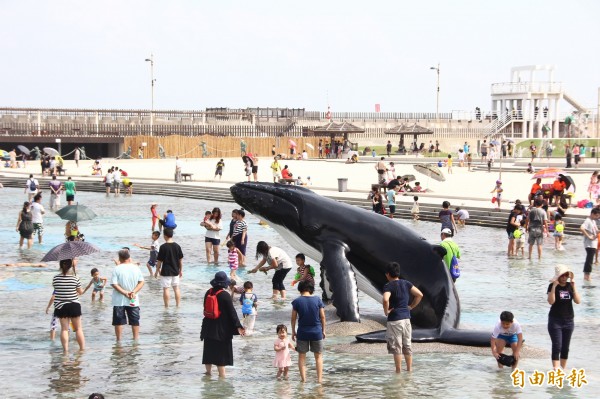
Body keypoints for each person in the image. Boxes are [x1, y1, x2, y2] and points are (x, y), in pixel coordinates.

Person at [201, 271, 245, 378]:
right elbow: (232, 313)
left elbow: (205, 307)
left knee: (208, 350)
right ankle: (222, 375)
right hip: (221, 329)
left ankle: (208, 373)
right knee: (221, 352)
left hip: (208, 326)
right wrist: (239, 326)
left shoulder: (208, 292)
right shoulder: (225, 295)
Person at [382, 262, 423, 373]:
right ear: (398, 273)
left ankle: (398, 372)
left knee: (397, 347)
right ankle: (409, 370)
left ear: (387, 274)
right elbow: (419, 294)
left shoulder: (388, 285)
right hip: (406, 319)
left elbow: (386, 299)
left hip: (395, 320)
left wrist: (386, 312)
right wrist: (410, 307)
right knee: (407, 345)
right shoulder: (406, 283)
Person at [291, 281, 326, 383]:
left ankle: (304, 381)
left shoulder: (297, 301)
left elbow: (293, 319)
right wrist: (323, 330)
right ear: (311, 289)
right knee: (318, 356)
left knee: (302, 357)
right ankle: (319, 380)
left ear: (300, 289)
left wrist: (293, 331)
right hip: (316, 332)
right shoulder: (318, 300)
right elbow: (322, 317)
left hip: (302, 332)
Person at [547, 264, 581, 370]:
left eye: (566, 275)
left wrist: (574, 287)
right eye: (562, 275)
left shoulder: (570, 286)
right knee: (557, 345)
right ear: (558, 276)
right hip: (555, 320)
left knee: (565, 347)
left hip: (569, 320)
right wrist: (554, 287)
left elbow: (578, 301)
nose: (564, 277)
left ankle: (563, 368)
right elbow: (551, 301)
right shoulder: (552, 286)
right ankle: (556, 369)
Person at [111, 249, 144, 341]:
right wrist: (134, 292)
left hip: (119, 299)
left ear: (120, 258)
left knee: (118, 321)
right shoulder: (136, 268)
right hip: (133, 298)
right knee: (135, 321)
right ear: (129, 257)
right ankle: (136, 339)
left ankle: (118, 340)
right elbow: (141, 282)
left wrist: (125, 292)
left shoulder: (117, 268)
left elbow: (114, 284)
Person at [52, 259, 85, 353]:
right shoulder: (75, 278)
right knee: (78, 329)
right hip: (74, 305)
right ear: (71, 266)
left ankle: (65, 351)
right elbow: (80, 292)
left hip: (61, 306)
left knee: (64, 329)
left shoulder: (55, 278)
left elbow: (56, 289)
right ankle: (82, 349)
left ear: (60, 265)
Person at [155, 228, 184, 307]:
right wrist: (181, 270)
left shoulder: (163, 247)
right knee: (176, 288)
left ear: (165, 236)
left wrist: (157, 271)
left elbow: (159, 261)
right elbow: (180, 260)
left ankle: (166, 306)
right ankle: (178, 306)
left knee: (166, 289)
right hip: (175, 271)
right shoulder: (177, 246)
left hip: (166, 271)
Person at [580, 207, 600, 281]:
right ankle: (586, 276)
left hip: (593, 243)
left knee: (590, 259)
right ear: (592, 214)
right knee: (589, 259)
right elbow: (581, 228)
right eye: (597, 215)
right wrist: (588, 236)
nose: (598, 217)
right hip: (589, 244)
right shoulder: (588, 220)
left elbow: (596, 230)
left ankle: (588, 275)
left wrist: (597, 231)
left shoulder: (593, 221)